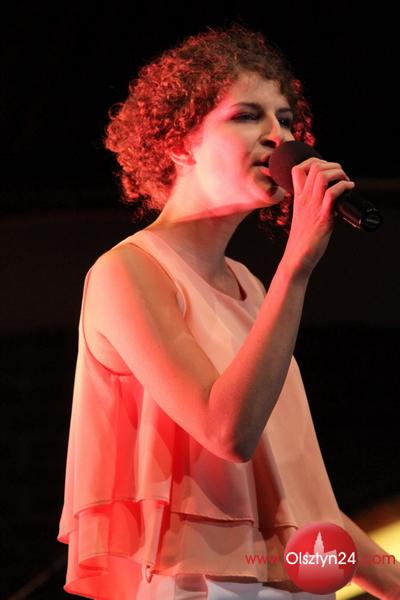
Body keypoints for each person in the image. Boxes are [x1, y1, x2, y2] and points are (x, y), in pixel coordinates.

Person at [57, 23, 400, 600]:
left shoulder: (251, 287)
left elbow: (302, 503)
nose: (277, 137)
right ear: (178, 141)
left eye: (285, 120)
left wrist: (392, 580)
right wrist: (298, 264)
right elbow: (227, 431)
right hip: (201, 584)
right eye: (247, 115)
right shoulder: (128, 272)